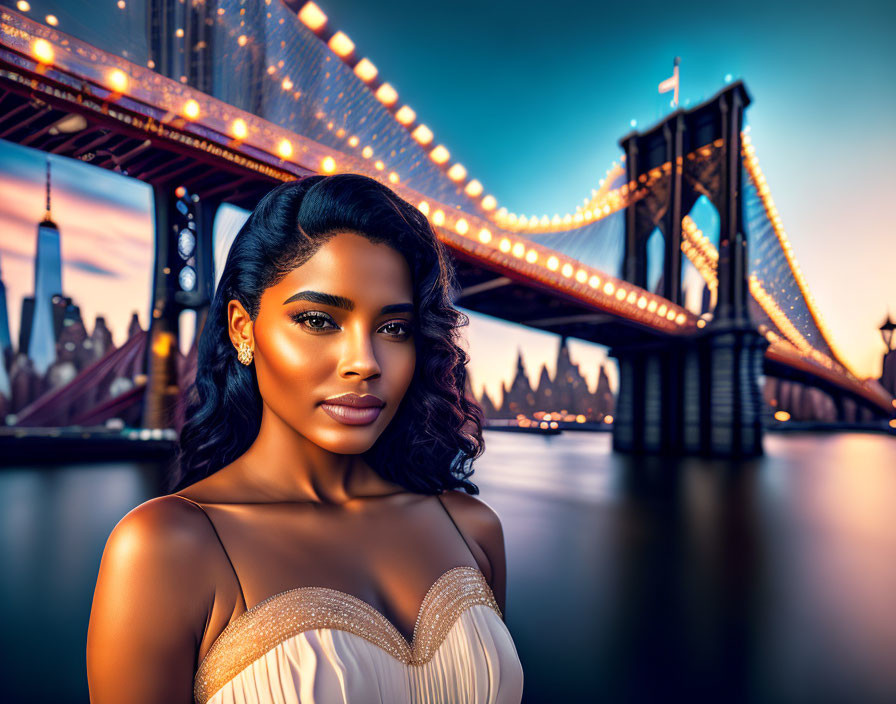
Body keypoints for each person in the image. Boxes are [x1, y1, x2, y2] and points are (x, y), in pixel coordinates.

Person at [86, 174, 524, 704]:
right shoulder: (167, 547)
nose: (363, 362)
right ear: (243, 329)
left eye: (394, 329)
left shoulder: (473, 529)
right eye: (319, 320)